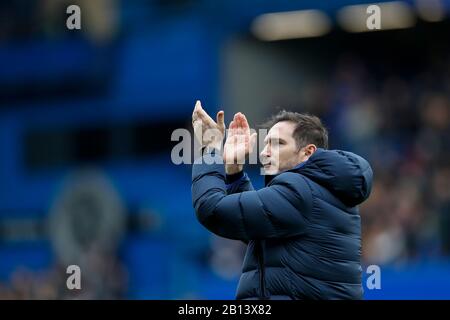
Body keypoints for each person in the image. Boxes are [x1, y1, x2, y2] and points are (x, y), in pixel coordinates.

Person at [191, 100, 373, 299]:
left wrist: (209, 151)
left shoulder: (301, 190)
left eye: (278, 143)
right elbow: (259, 227)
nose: (264, 152)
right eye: (266, 143)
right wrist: (234, 171)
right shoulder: (316, 191)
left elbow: (212, 209)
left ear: (307, 153)